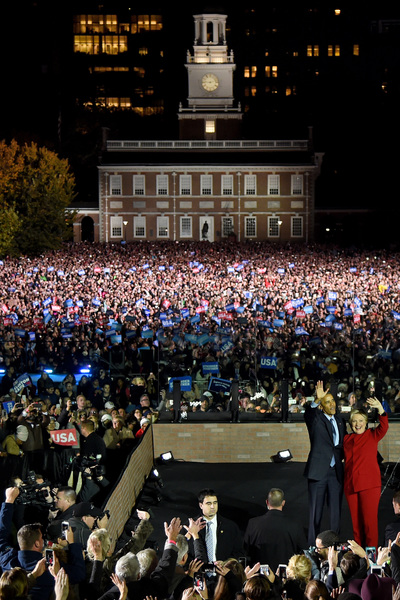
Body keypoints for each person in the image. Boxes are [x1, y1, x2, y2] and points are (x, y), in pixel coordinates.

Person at [304, 381, 346, 546]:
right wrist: (316, 399)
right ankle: (313, 547)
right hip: (319, 472)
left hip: (336, 472)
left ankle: (334, 545)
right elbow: (308, 414)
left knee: (336, 512)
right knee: (316, 513)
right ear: (322, 406)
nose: (332, 404)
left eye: (333, 401)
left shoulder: (340, 420)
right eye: (327, 402)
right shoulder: (316, 420)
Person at [343, 396, 389, 548]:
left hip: (369, 485)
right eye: (354, 421)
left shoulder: (372, 435)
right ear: (351, 423)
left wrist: (380, 409)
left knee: (369, 523)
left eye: (361, 420)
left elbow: (384, 426)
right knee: (356, 525)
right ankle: (359, 555)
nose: (358, 424)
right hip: (351, 486)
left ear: (366, 422)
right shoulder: (347, 439)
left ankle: (371, 555)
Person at [243, 487, 306, 570]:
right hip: (286, 573)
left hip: (260, 574)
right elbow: (303, 551)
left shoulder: (253, 523)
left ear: (267, 502)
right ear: (283, 503)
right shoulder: (295, 525)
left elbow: (246, 550)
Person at [195, 488, 243, 561]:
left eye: (215, 503)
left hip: (223, 568)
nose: (212, 506)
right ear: (201, 505)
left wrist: (226, 564)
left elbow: (239, 552)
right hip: (198, 567)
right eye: (209, 503)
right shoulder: (191, 526)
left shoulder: (230, 527)